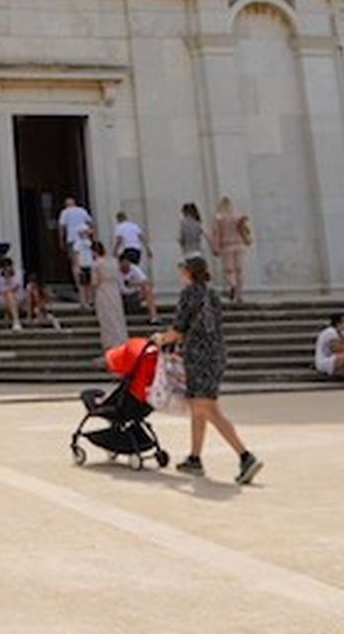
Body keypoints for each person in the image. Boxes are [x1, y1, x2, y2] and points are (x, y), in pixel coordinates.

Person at [156, 255, 263, 485]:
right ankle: (195, 458)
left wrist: (161, 339)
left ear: (188, 272)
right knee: (198, 407)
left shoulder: (189, 293)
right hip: (216, 353)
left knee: (208, 409)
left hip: (199, 356)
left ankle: (245, 456)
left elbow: (178, 328)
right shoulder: (212, 294)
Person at [208, 197, 252, 302]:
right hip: (240, 245)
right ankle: (239, 294)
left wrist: (215, 248)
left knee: (229, 270)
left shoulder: (219, 217)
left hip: (226, 246)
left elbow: (216, 234)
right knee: (239, 270)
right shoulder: (238, 216)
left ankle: (233, 285)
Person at [89, 240, 129, 353]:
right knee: (117, 316)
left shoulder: (96, 264)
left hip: (103, 291)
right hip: (114, 291)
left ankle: (111, 343)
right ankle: (121, 340)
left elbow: (95, 282)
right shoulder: (113, 262)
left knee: (107, 318)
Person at [118, 251, 158, 323]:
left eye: (127, 265)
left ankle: (154, 317)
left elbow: (146, 282)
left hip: (134, 295)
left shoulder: (135, 269)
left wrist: (134, 283)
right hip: (121, 297)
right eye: (123, 266)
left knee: (148, 290)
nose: (126, 267)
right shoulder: (115, 271)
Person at [0, 258, 25, 330]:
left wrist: (7, 277)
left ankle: (16, 321)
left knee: (9, 295)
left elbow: (14, 288)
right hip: (2, 298)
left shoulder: (18, 273)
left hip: (17, 298)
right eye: (4, 267)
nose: (6, 269)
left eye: (8, 266)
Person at [57, 196, 93, 263]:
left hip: (72, 238)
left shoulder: (65, 212)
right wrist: (91, 235)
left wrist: (61, 241)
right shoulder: (82, 210)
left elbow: (61, 227)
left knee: (74, 260)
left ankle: (77, 272)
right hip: (84, 239)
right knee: (86, 258)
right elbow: (90, 223)